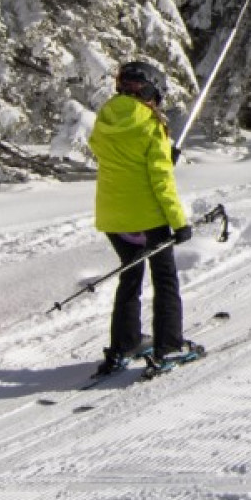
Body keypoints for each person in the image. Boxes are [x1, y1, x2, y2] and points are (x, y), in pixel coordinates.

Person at [89, 60, 196, 375]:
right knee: (164, 279)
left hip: (114, 219)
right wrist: (179, 222)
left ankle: (125, 344)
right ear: (151, 90)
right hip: (149, 218)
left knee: (130, 276)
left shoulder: (105, 119)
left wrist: (165, 153)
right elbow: (161, 180)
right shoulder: (151, 125)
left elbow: (119, 156)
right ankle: (169, 347)